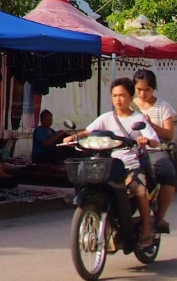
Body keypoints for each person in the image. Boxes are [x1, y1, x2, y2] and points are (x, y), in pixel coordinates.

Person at [65, 78, 159, 247]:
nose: (118, 99)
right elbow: (88, 131)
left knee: (139, 190)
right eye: (115, 95)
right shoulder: (106, 117)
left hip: (130, 166)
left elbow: (155, 140)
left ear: (130, 97)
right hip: (107, 165)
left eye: (122, 95)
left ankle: (146, 228)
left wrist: (146, 140)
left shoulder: (139, 119)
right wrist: (73, 137)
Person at [132, 69, 177, 233]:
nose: (143, 94)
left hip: (155, 150)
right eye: (139, 90)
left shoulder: (163, 107)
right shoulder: (128, 105)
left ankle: (159, 217)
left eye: (147, 90)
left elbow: (169, 134)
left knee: (168, 175)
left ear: (154, 89)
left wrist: (152, 126)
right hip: (131, 151)